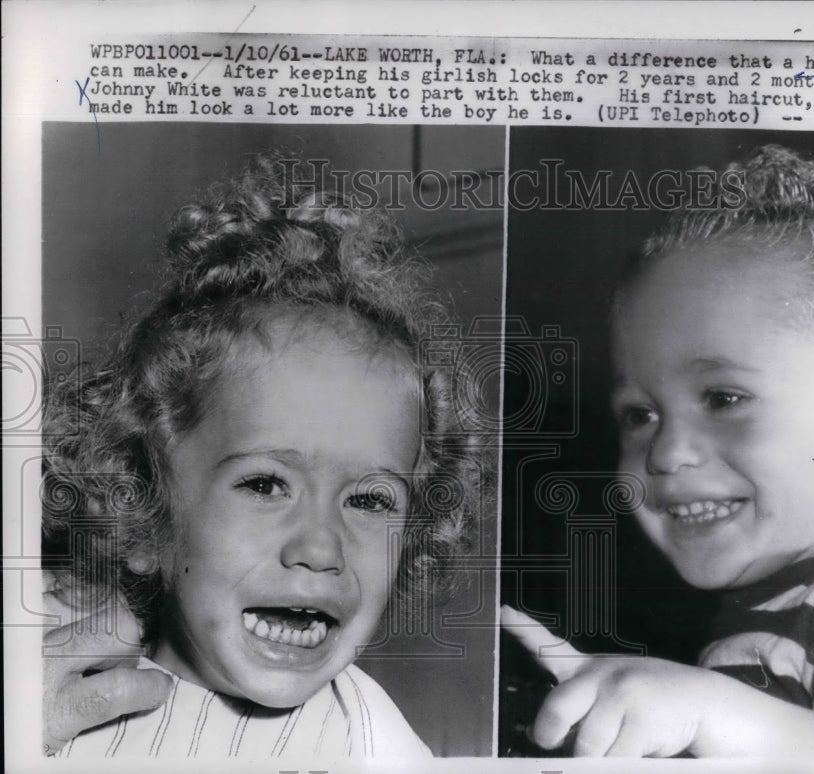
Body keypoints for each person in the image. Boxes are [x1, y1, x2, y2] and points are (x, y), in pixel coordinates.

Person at [42, 154, 485, 758]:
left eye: (370, 499)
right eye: (265, 485)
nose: (320, 549)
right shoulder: (54, 694)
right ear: (141, 510)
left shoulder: (371, 739)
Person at [503, 144, 814, 757]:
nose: (666, 453)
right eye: (640, 414)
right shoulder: (775, 613)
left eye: (725, 398)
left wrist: (707, 709)